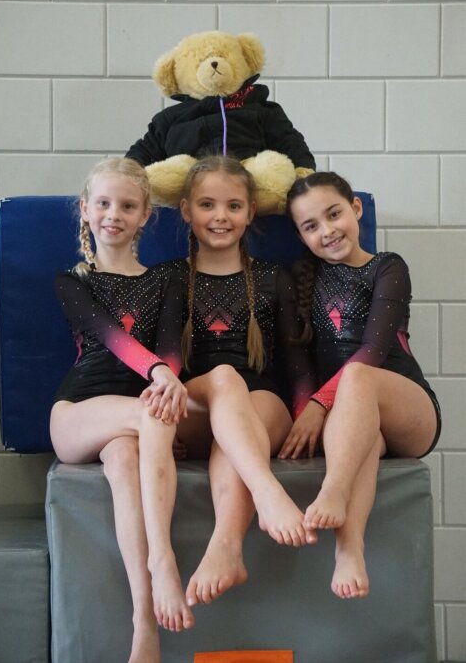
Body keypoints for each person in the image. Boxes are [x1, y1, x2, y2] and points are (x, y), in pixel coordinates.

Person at [139, 155, 317, 630]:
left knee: (237, 416)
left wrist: (307, 411)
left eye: (234, 206)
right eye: (207, 205)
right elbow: (166, 355)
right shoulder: (171, 277)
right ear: (186, 210)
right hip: (199, 399)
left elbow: (296, 362)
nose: (221, 216)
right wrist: (170, 418)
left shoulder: (273, 278)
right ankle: (267, 491)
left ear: (251, 212)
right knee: (223, 377)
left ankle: (227, 547)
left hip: (262, 404)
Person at [50, 157, 192, 663]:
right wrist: (161, 375)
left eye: (128, 206)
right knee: (153, 412)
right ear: (85, 209)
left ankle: (143, 625)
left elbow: (170, 346)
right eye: (104, 203)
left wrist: (167, 374)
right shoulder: (73, 281)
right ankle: (163, 559)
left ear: (145, 215)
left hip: (135, 415)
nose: (114, 214)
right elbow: (111, 337)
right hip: (79, 411)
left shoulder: (166, 280)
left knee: (128, 456)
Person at [279, 171, 441, 600]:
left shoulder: (387, 266)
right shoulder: (300, 280)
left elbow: (373, 349)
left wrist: (319, 405)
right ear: (300, 235)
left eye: (334, 214)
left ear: (355, 209)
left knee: (357, 374)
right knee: (363, 436)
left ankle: (334, 489)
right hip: (350, 414)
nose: (327, 230)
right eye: (311, 226)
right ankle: (349, 550)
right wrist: (304, 411)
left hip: (407, 407)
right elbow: (299, 365)